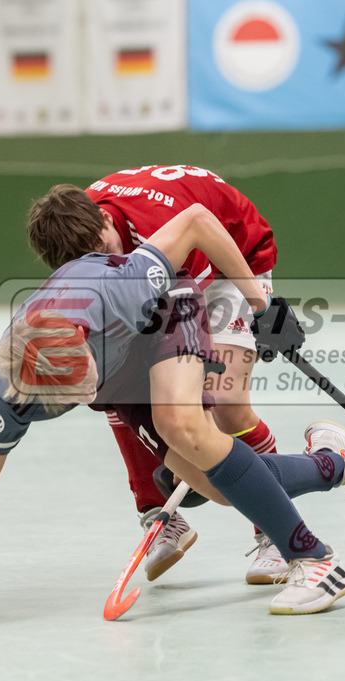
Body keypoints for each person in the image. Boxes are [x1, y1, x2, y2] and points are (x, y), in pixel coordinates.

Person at [0, 205, 345, 627]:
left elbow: (194, 222)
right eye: (69, 394)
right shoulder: (14, 392)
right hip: (121, 362)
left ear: (79, 337)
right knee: (212, 485)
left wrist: (260, 305)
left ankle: (315, 560)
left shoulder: (123, 282)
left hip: (164, 313)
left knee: (183, 427)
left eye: (81, 374)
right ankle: (339, 461)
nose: (82, 391)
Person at [26, 165, 287, 583]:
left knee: (225, 404)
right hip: (156, 270)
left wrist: (262, 307)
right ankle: (158, 515)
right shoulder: (77, 235)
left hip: (227, 257)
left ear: (108, 221)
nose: (102, 264)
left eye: (104, 248)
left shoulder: (159, 232)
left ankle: (275, 532)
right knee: (116, 382)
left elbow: (188, 317)